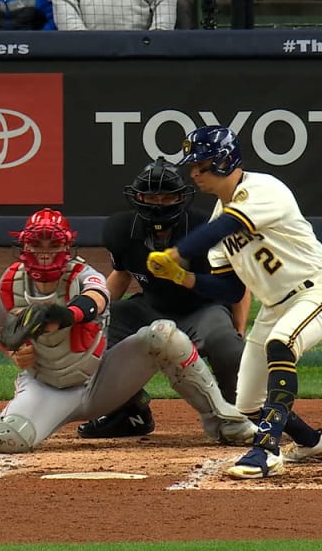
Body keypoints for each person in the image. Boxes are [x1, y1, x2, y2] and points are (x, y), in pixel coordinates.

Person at [0, 208, 255, 453]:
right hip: (47, 389)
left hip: (102, 380)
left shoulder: (83, 274)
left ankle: (227, 422)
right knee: (8, 440)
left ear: (66, 247)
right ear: (24, 246)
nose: (44, 251)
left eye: (51, 244)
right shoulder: (11, 283)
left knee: (164, 335)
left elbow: (97, 300)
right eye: (37, 244)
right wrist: (14, 352)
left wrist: (63, 315)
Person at [146, 126, 322, 480]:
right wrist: (183, 277)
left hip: (316, 292)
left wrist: (177, 253)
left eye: (202, 166)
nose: (194, 174)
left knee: (280, 345)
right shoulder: (218, 218)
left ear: (224, 162)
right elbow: (229, 290)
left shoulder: (264, 189)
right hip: (274, 307)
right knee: (248, 404)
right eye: (193, 166)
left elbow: (226, 226)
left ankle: (266, 451)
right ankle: (312, 441)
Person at [77, 158, 251, 439]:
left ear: (181, 197)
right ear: (138, 197)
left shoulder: (206, 227)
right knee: (91, 337)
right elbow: (121, 275)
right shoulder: (121, 229)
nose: (158, 203)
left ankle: (243, 416)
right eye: (151, 196)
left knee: (228, 345)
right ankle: (129, 413)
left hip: (202, 309)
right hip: (150, 306)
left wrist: (239, 329)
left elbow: (239, 281)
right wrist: (93, 314)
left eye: (166, 195)